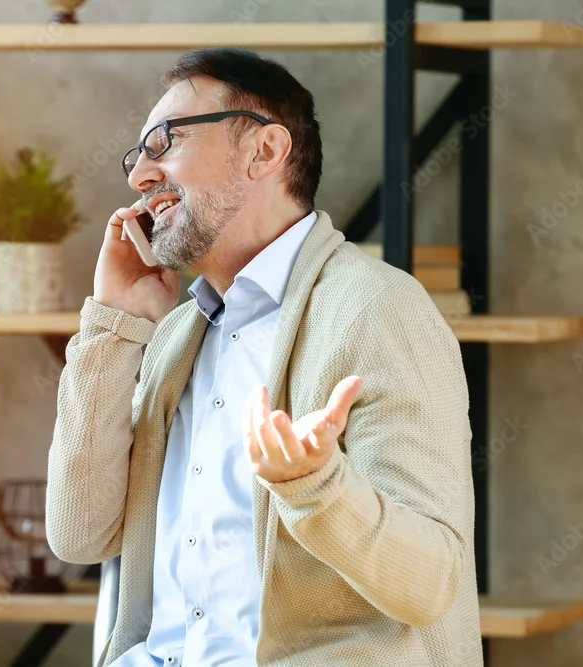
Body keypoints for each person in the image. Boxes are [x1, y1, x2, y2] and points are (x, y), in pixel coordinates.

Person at [46, 47, 482, 667]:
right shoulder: (176, 336)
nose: (140, 174)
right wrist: (113, 325)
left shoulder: (379, 309)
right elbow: (78, 534)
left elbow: (431, 583)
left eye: (165, 142)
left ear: (264, 151)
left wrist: (316, 487)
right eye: (136, 154)